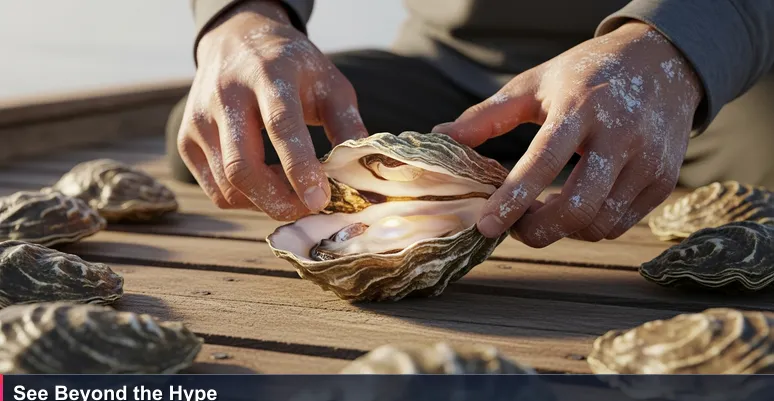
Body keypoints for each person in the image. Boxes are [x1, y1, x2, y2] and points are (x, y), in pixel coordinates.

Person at [167, 0, 774, 247]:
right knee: (233, 132)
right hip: (448, 68)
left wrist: (678, 47)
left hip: (675, 71)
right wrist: (242, 17)